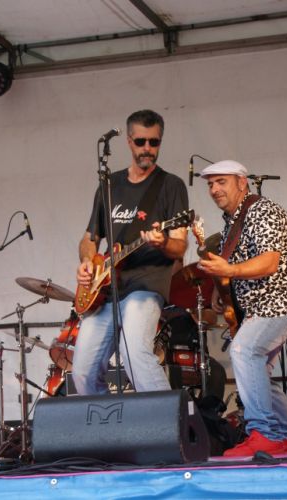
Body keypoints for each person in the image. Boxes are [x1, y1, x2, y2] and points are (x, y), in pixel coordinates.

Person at [198, 160, 287, 457]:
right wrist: (219, 288)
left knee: (244, 350)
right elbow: (231, 264)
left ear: (242, 183)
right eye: (210, 184)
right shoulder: (232, 222)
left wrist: (230, 271)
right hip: (264, 304)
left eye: (221, 182)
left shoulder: (262, 211)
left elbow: (269, 261)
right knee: (258, 371)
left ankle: (264, 433)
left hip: (284, 298)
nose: (214, 189)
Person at [72, 109, 189, 395]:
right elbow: (89, 239)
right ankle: (107, 422)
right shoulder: (109, 185)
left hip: (145, 286)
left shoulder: (171, 185)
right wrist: (87, 262)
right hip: (106, 289)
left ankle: (169, 420)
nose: (147, 148)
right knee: (83, 371)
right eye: (140, 142)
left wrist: (162, 243)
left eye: (154, 142)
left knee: (135, 353)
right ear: (128, 141)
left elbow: (180, 245)